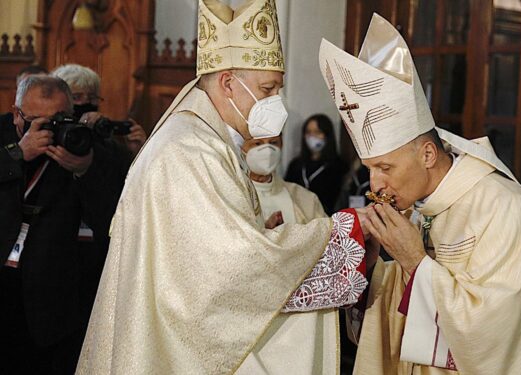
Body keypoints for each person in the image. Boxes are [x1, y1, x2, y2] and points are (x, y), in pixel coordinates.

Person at [77, 1, 371, 374]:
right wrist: (343, 232)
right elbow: (231, 270)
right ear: (229, 82)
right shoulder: (191, 149)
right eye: (266, 89)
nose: (274, 103)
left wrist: (260, 237)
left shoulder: (204, 140)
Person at [318, 14, 521, 374]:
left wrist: (416, 262)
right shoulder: (421, 209)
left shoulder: (504, 208)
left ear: (428, 155)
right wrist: (373, 266)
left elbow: (499, 333)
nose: (374, 186)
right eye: (370, 168)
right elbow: (400, 317)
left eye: (385, 168)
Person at [0, 75, 123, 374]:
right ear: (17, 114)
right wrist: (17, 154)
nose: (50, 130)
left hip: (56, 299)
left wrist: (85, 170)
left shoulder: (85, 144)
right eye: (36, 121)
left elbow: (114, 218)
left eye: (58, 119)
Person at [50, 64, 147, 156]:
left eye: (92, 98)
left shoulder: (105, 138)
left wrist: (138, 152)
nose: (86, 102)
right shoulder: (50, 135)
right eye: (76, 97)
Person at [241, 134, 326, 227]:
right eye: (257, 143)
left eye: (273, 143)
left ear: (281, 145)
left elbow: (326, 236)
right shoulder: (231, 195)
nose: (268, 151)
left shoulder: (305, 199)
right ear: (240, 146)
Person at [285, 113, 347, 214]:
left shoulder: (339, 167)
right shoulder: (296, 165)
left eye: (317, 132)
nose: (312, 136)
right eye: (308, 132)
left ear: (327, 135)